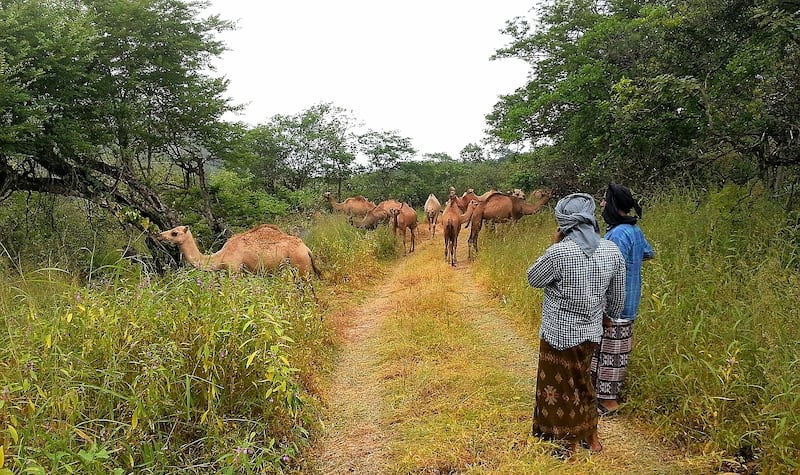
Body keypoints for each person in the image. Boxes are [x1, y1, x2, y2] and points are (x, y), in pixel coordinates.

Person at [527, 193, 626, 454]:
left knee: (561, 388)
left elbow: (534, 279)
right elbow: (618, 297)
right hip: (591, 333)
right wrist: (607, 318)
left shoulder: (559, 252)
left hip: (558, 334)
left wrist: (554, 244)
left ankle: (567, 445)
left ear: (564, 221)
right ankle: (592, 440)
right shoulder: (611, 250)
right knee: (584, 383)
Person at [592, 183, 655, 416]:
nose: (601, 204)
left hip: (615, 304)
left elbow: (607, 269)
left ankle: (608, 403)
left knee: (611, 353)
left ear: (612, 204)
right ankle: (604, 398)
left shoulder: (618, 234)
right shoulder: (634, 230)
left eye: (604, 200)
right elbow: (648, 253)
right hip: (630, 301)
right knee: (616, 351)